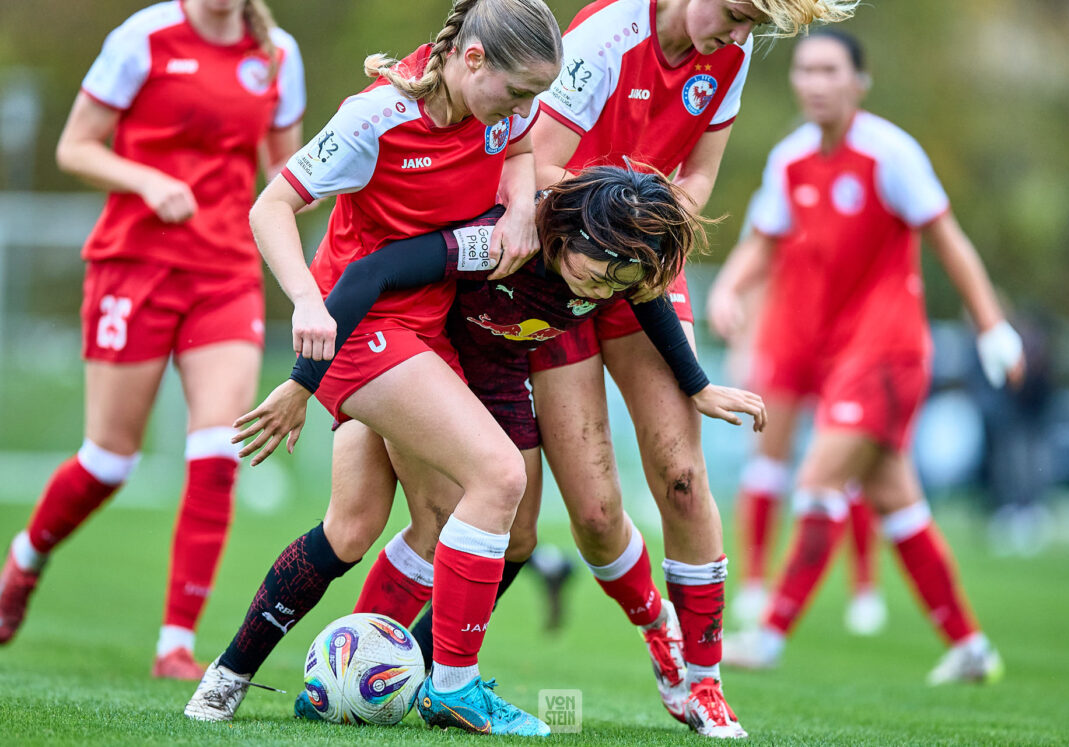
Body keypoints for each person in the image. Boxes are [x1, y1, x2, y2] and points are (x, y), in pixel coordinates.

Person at [433, 0, 856, 737]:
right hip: (564, 266)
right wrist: (615, 232)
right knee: (596, 518)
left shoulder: (731, 49)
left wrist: (646, 248)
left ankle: (704, 679)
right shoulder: (605, 36)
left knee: (683, 477)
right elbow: (537, 168)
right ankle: (656, 627)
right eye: (734, 13)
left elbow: (697, 182)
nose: (737, 32)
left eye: (754, 22)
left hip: (646, 266)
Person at [222, 165, 766, 733]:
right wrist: (304, 380)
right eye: (601, 277)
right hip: (417, 352)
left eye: (617, 284)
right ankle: (335, 675)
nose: (605, 293)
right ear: (568, 235)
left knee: (518, 539)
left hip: (500, 371)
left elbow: (648, 299)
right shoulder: (508, 235)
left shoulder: (611, 265)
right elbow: (378, 269)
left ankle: (404, 674)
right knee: (362, 525)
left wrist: (698, 385)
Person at [183, 0, 566, 733]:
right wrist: (305, 303)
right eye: (518, 93)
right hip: (360, 325)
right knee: (500, 478)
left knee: (369, 526)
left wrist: (520, 210)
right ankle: (452, 686)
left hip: (427, 327)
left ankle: (238, 676)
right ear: (472, 59)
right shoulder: (378, 115)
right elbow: (270, 207)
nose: (525, 111)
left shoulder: (504, 106)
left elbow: (518, 152)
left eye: (536, 98)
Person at [0, 0, 305, 680]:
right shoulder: (142, 37)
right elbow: (74, 145)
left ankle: (175, 644)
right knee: (110, 459)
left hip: (225, 272)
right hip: (133, 266)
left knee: (217, 448)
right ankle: (25, 558)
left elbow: (290, 176)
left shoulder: (278, 54)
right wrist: (148, 179)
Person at [712, 29, 1023, 684]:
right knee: (897, 503)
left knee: (818, 480)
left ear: (860, 81)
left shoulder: (890, 154)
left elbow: (949, 240)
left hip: (888, 350)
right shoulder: (790, 157)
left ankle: (768, 637)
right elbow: (762, 242)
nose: (815, 83)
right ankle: (971, 647)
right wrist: (731, 291)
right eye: (805, 70)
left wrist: (993, 327)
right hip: (835, 353)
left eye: (830, 70)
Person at [708, 217, 887, 637]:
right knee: (767, 460)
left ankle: (864, 587)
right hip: (786, 341)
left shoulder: (869, 183)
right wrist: (745, 343)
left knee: (852, 467)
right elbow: (757, 262)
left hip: (845, 347)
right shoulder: (786, 177)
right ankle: (754, 583)